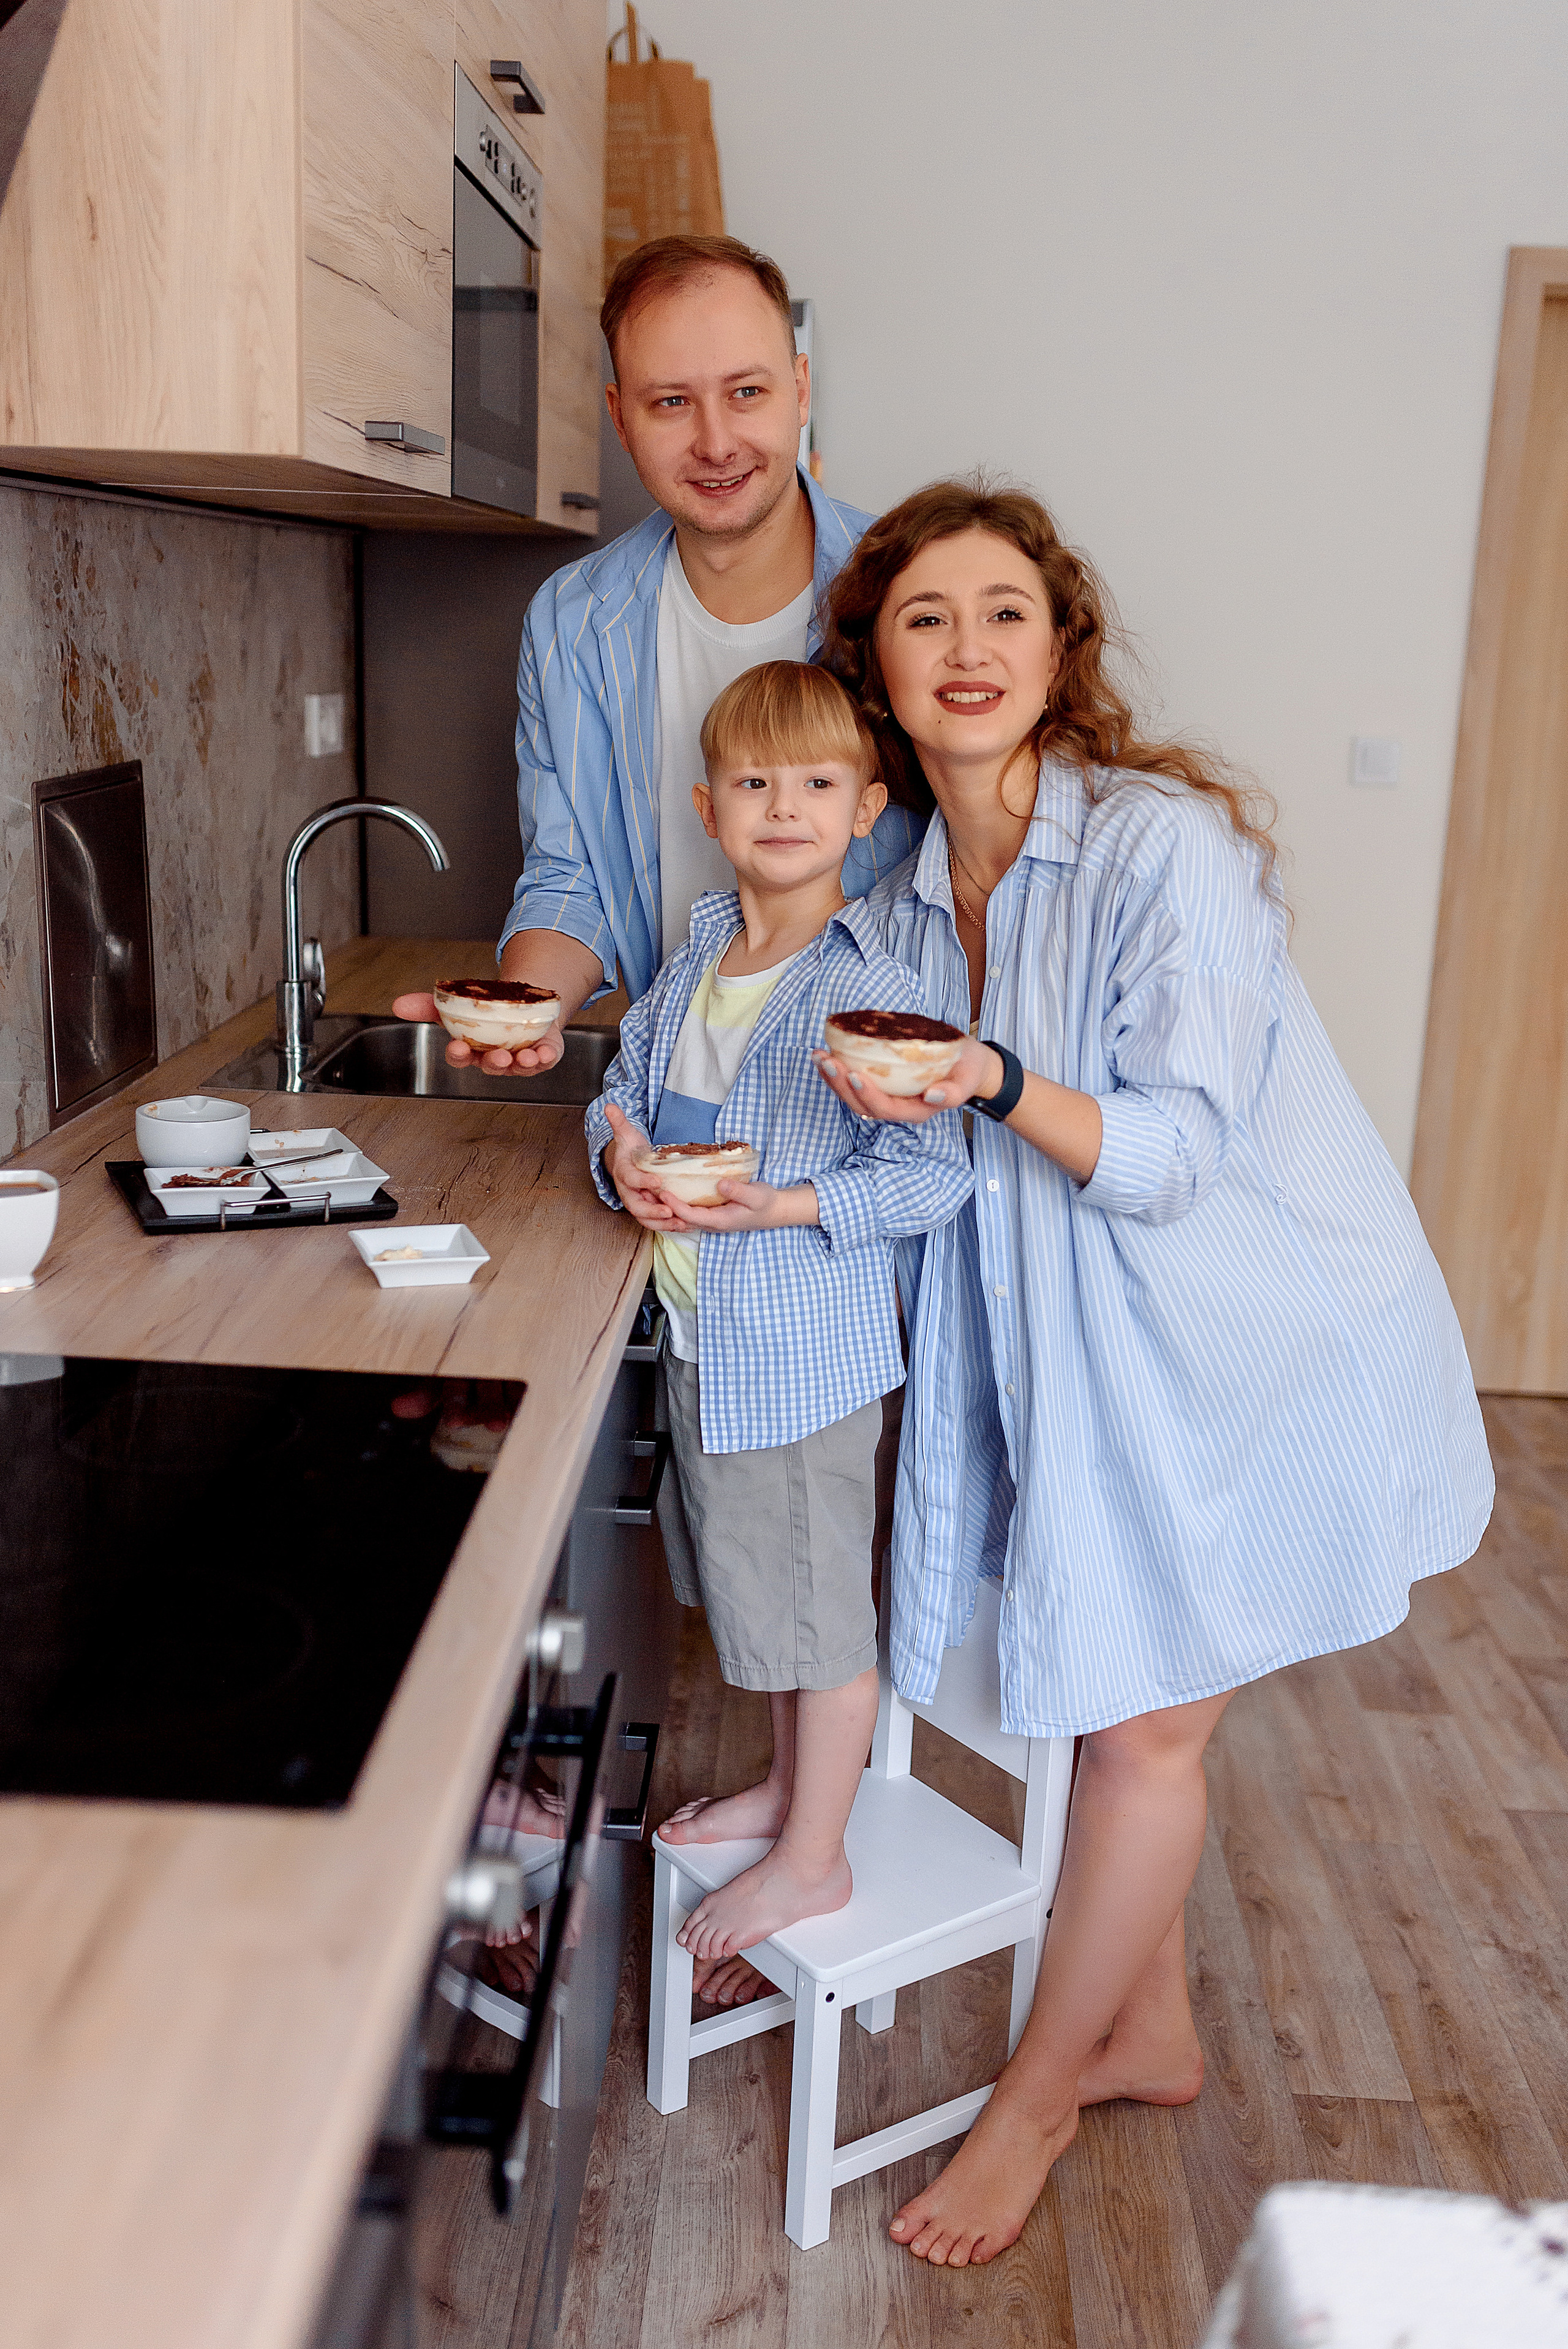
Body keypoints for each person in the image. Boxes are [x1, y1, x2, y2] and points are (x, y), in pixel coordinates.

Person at [810, 479, 1494, 2268]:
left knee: (1145, 1724)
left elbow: (1176, 1156)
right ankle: (1159, 2030)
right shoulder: (889, 905)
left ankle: (1035, 2098)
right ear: (874, 667)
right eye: (927, 617)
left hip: (1243, 1334)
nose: (970, 649)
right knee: (1131, 1673)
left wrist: (981, 1077)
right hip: (1084, 1342)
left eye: (1006, 613)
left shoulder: (1156, 850)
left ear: (1063, 650)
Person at [586, 662, 971, 1956]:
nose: (783, 806)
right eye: (754, 782)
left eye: (815, 782)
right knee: (766, 1602)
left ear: (866, 808)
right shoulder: (702, 950)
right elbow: (621, 1093)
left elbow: (931, 1173)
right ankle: (784, 1791)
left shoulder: (881, 975)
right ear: (709, 806)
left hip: (798, 1355)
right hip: (703, 1336)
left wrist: (786, 1207)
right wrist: (621, 1158)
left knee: (819, 1621)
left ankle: (813, 1859)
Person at [393, 234, 922, 1071]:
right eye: (671, 402)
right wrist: (522, 1009)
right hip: (680, 1097)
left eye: (746, 391)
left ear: (800, 390)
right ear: (621, 417)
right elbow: (572, 875)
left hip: (870, 1102)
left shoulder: (913, 594)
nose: (716, 442)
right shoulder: (571, 620)